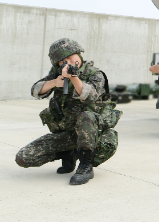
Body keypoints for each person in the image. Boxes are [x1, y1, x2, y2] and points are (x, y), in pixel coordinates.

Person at [15, 38, 121, 185]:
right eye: (62, 60)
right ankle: (69, 153)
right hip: (67, 133)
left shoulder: (95, 74)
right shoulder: (57, 73)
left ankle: (86, 165)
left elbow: (90, 95)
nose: (67, 62)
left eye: (70, 57)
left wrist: (73, 78)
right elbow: (35, 90)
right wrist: (55, 82)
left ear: (79, 54)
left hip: (91, 134)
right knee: (23, 157)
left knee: (86, 116)